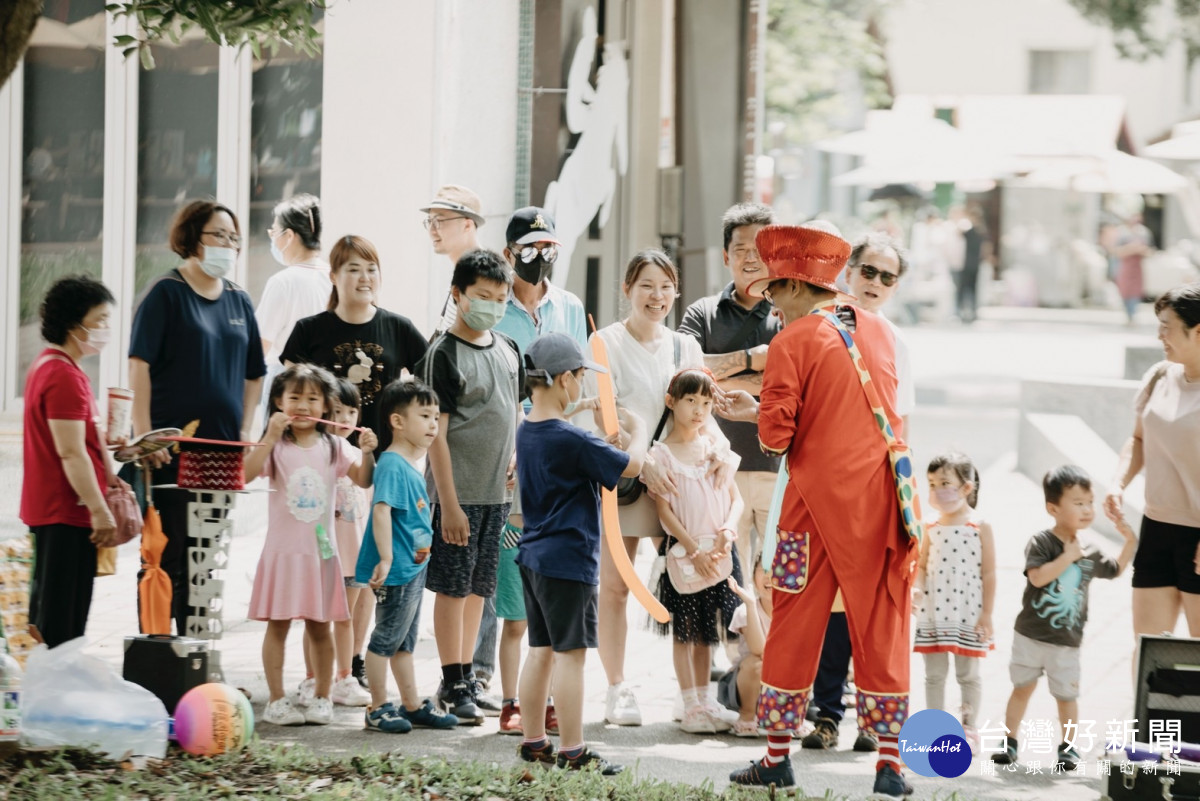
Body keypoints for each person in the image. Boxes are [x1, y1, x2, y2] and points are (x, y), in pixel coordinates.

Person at [722, 224, 915, 800]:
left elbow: (779, 436)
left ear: (795, 286)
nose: (771, 303)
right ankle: (890, 765)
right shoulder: (879, 332)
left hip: (810, 510)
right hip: (881, 504)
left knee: (795, 621)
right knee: (882, 626)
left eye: (774, 291)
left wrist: (754, 408)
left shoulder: (793, 339)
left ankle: (777, 756)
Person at [585, 249, 732, 726]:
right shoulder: (603, 343)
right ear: (626, 288)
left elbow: (703, 412)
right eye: (647, 285)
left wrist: (720, 456)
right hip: (625, 483)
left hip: (678, 484)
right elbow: (599, 420)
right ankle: (617, 688)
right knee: (614, 587)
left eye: (666, 286)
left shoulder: (683, 347)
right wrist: (639, 462)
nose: (657, 296)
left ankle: (692, 694)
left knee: (694, 587)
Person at [129, 199, 266, 637]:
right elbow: (139, 368)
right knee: (168, 556)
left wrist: (244, 428)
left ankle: (198, 657)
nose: (227, 245)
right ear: (192, 238)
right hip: (171, 452)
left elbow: (254, 374)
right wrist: (144, 436)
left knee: (208, 559)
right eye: (217, 236)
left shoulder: (239, 300)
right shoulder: (166, 294)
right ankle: (159, 654)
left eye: (234, 239)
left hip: (222, 452)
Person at [803, 231, 917, 754]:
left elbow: (902, 422)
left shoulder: (896, 340)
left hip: (875, 489)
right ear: (848, 272)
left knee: (866, 608)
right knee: (821, 605)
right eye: (867, 271)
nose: (874, 283)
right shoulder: (819, 326)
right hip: (818, 488)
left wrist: (905, 497)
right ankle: (824, 715)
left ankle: (870, 721)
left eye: (886, 277)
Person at [514, 332, 646, 774]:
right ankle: (573, 750)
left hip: (534, 557)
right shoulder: (571, 440)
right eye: (580, 379)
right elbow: (634, 465)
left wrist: (592, 426)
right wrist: (639, 431)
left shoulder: (529, 429)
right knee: (571, 656)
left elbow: (576, 440)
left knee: (540, 651)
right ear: (566, 379)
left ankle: (534, 742)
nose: (583, 388)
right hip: (568, 560)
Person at [477, 206, 588, 731]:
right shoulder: (495, 309)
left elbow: (580, 382)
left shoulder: (568, 305)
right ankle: (507, 698)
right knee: (514, 596)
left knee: (548, 596)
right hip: (508, 457)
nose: (540, 258)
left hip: (559, 457)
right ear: (509, 253)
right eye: (529, 249)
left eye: (549, 249)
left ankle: (543, 707)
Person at [417, 249, 522, 726]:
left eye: (501, 298)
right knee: (452, 589)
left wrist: (516, 457)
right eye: (483, 296)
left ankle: (462, 680)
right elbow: (435, 434)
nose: (493, 305)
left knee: (480, 588)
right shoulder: (442, 352)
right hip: (455, 497)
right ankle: (453, 676)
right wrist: (450, 504)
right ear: (458, 294)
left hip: (496, 496)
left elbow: (513, 413)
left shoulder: (507, 348)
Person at [245, 364, 378, 726]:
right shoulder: (275, 447)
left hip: (321, 557)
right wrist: (269, 438)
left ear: (325, 407)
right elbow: (244, 473)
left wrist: (366, 452)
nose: (303, 406)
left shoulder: (334, 446)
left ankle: (322, 696)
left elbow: (364, 480)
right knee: (278, 626)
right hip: (282, 555)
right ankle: (276, 699)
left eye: (312, 399)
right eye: (294, 398)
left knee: (321, 627)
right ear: (278, 402)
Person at [992, 465, 1136, 769]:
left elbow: (1115, 570)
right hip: (1030, 635)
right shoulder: (1041, 543)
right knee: (1022, 688)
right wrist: (1067, 557)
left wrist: (1130, 542)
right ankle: (1009, 741)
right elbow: (1037, 578)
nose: (1086, 509)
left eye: (1089, 503)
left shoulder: (1091, 551)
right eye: (1077, 503)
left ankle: (1068, 748)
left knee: (1066, 697)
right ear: (1053, 508)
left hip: (1067, 641)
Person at [678, 202, 780, 580]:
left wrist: (715, 376)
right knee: (726, 582)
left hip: (778, 468)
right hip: (714, 472)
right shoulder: (701, 313)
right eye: (741, 249)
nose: (751, 258)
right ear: (725, 256)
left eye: (761, 249)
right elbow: (685, 374)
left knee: (776, 581)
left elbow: (791, 383)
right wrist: (754, 359)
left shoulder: (789, 311)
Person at [356, 378, 460, 733]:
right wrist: (385, 559)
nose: (433, 424)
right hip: (397, 569)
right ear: (398, 422)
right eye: (425, 416)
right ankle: (377, 707)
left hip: (412, 568)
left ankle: (412, 704)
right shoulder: (392, 465)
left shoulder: (406, 465)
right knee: (385, 639)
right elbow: (381, 510)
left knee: (403, 642)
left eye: (436, 417)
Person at [21, 275, 118, 648]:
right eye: (99, 320)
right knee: (62, 624)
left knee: (52, 617)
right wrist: (99, 509)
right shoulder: (62, 375)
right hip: (65, 511)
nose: (104, 329)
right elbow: (69, 451)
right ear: (73, 324)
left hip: (56, 510)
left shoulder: (52, 366)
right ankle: (52, 698)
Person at [648, 368, 744, 734]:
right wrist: (692, 548)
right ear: (672, 402)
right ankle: (689, 705)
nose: (699, 410)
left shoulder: (716, 450)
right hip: (685, 555)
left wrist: (729, 530)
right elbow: (664, 513)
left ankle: (706, 701)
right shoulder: (661, 456)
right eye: (691, 401)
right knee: (684, 631)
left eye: (706, 403)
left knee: (708, 632)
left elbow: (735, 500)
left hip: (719, 554)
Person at [1105, 282, 1200, 637]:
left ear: (1198, 331)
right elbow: (1139, 438)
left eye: (1167, 326)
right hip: (1157, 527)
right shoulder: (1159, 376)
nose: (1160, 335)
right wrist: (1118, 483)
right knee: (1148, 650)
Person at [280, 234, 428, 444]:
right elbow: (290, 395)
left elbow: (433, 382)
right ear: (332, 276)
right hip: (322, 456)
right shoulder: (308, 330)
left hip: (383, 455)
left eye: (371, 269)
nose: (365, 277)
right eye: (354, 269)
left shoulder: (399, 328)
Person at [912, 452, 995, 754]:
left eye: (945, 482)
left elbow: (989, 573)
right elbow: (921, 566)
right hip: (934, 612)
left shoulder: (979, 526)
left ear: (966, 488)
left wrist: (987, 613)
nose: (936, 490)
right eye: (932, 483)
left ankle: (968, 729)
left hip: (968, 613)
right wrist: (917, 589)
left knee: (968, 674)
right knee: (933, 674)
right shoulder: (929, 527)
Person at [320, 379, 374, 706]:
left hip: (355, 554)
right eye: (337, 411)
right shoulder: (320, 452)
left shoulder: (357, 455)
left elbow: (368, 497)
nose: (344, 418)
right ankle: (319, 678)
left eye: (351, 411)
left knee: (347, 617)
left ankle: (345, 676)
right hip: (327, 552)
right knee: (320, 619)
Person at [255, 193, 330, 419]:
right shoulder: (334, 276)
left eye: (273, 232)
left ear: (289, 235)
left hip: (288, 391)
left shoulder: (283, 282)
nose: (273, 239)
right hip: (325, 391)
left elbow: (259, 347)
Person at [423, 185, 485, 337]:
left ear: (467, 225)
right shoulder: (464, 273)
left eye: (439, 221)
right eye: (429, 221)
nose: (432, 230)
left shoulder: (484, 276)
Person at [721, 560, 773, 737]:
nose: (769, 576)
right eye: (764, 570)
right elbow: (759, 649)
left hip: (779, 678)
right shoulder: (744, 610)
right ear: (753, 576)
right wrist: (751, 604)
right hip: (745, 683)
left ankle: (793, 717)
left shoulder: (794, 611)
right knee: (756, 663)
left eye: (777, 569)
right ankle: (747, 716)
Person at [1114, 213, 1153, 323]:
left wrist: (1141, 250)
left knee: (1136, 291)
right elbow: (1117, 252)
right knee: (1125, 290)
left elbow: (1150, 251)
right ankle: (1128, 313)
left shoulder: (1144, 233)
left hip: (1137, 266)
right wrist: (1131, 249)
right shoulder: (1122, 233)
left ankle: (1133, 314)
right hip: (1125, 266)